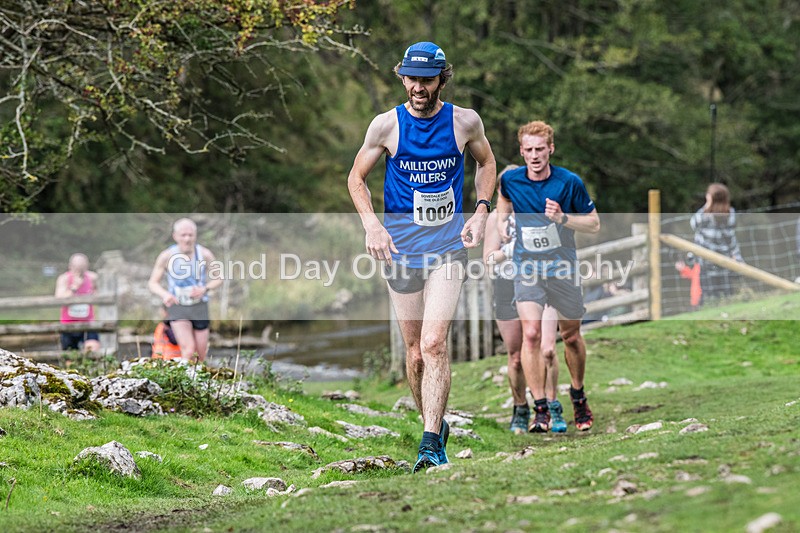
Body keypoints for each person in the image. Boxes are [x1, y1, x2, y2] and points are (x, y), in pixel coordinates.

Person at [347, 41, 496, 472]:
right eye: (411, 79)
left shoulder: (465, 122)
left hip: (448, 248)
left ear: (440, 80)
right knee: (414, 354)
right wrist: (371, 225)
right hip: (400, 250)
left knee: (434, 344)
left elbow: (487, 164)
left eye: (426, 80)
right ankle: (434, 423)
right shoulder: (386, 126)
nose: (417, 87)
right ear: (403, 78)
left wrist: (481, 212)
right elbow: (356, 178)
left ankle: (429, 445)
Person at [496, 120, 600, 433]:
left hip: (562, 267)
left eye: (540, 149)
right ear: (521, 151)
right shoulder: (511, 180)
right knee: (531, 335)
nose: (534, 155)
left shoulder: (569, 182)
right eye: (528, 150)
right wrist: (502, 221)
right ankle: (540, 407)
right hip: (527, 266)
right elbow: (503, 197)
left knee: (570, 336)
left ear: (551, 149)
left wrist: (563, 218)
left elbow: (594, 224)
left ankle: (578, 394)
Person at [483, 166, 566, 434]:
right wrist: (511, 251)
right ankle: (521, 407)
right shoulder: (496, 217)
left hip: (537, 282)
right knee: (516, 355)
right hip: (506, 285)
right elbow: (488, 259)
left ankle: (548, 407)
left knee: (545, 347)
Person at [148, 218, 222, 363]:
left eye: (190, 235)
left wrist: (205, 289)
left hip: (199, 306)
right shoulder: (166, 256)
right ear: (175, 236)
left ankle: (198, 383)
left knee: (200, 355)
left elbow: (219, 278)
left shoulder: (205, 254)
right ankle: (186, 383)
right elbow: (152, 283)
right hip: (177, 305)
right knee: (188, 350)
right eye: (183, 235)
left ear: (195, 235)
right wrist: (165, 294)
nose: (187, 239)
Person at [690, 183, 744, 301]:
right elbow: (732, 240)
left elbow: (693, 223)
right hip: (725, 261)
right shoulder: (730, 214)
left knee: (708, 294)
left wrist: (707, 205)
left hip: (706, 262)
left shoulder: (705, 216)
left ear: (710, 198)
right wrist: (737, 258)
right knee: (726, 293)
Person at [54, 253, 101, 353]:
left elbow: (101, 294)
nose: (79, 271)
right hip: (68, 324)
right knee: (70, 358)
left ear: (87, 266)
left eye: (82, 268)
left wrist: (95, 293)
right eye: (76, 268)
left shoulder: (93, 278)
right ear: (70, 266)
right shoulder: (64, 279)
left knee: (92, 352)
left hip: (88, 323)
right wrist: (74, 288)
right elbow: (58, 298)